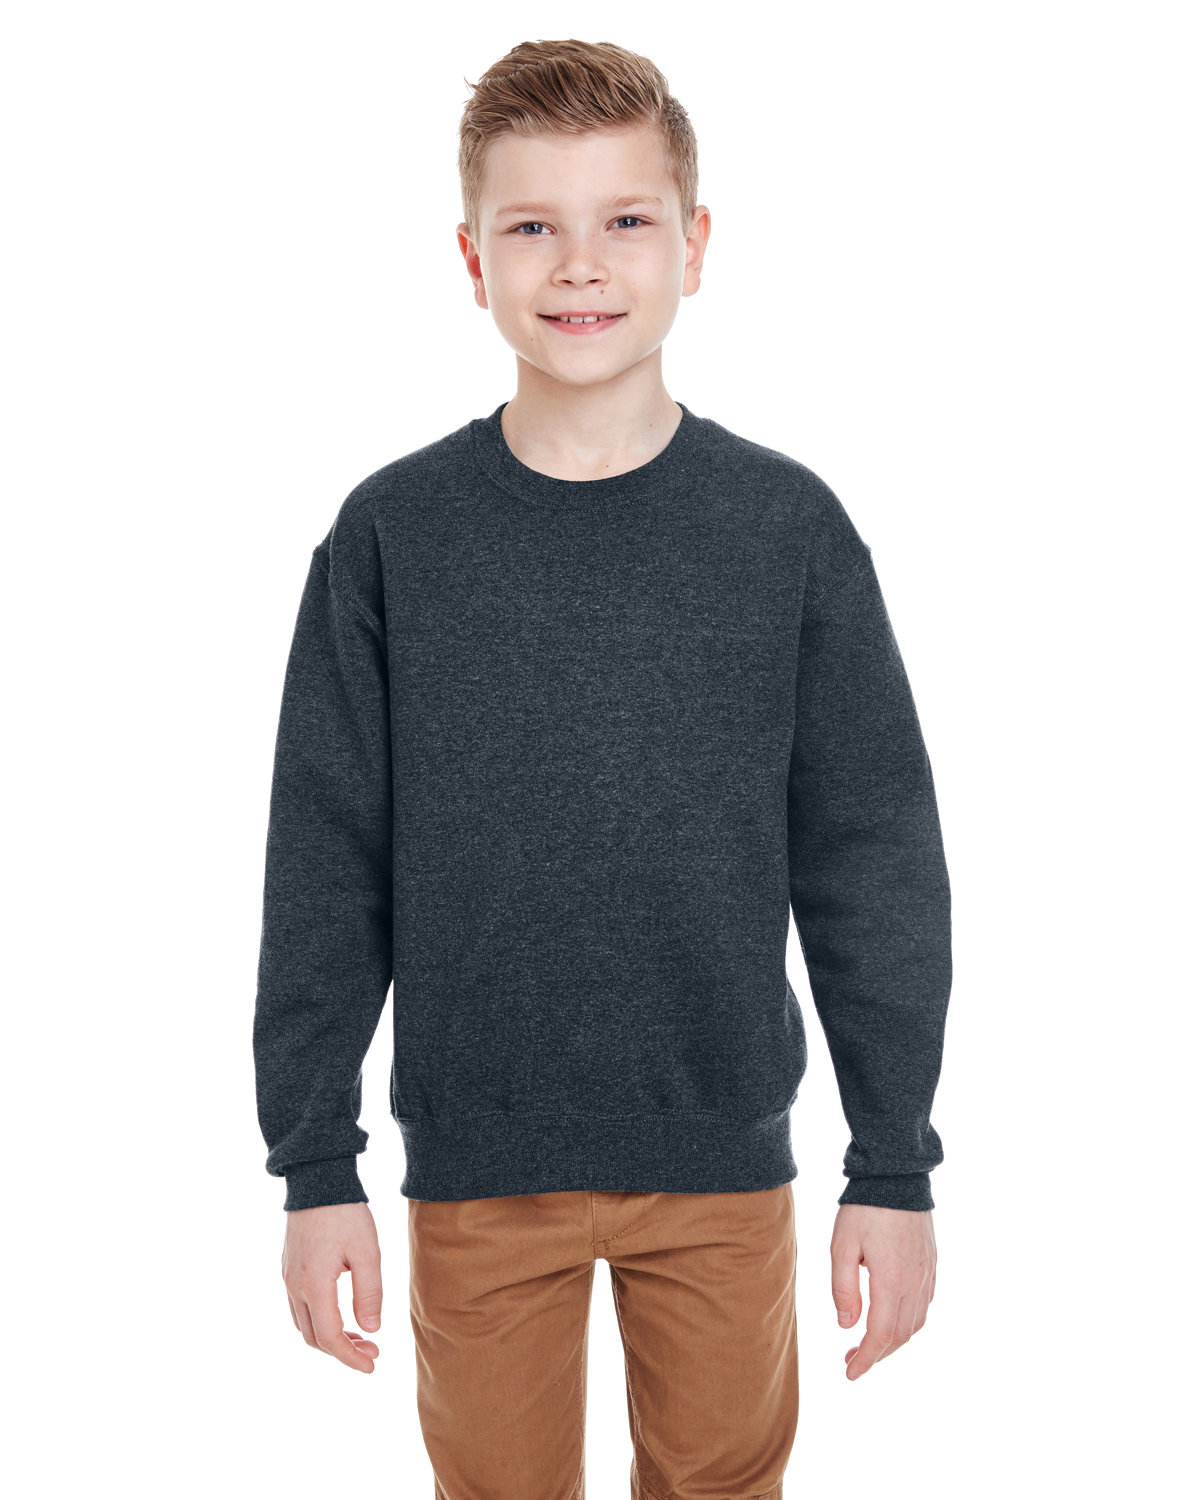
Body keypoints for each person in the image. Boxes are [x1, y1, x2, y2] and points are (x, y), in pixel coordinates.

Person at [253, 36, 952, 1500]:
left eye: (626, 219)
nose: (580, 264)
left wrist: (891, 1163)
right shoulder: (392, 536)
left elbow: (872, 858)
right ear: (472, 259)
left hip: (722, 1164)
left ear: (695, 245)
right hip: (476, 1169)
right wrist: (316, 1165)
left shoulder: (788, 532)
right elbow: (326, 863)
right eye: (533, 225)